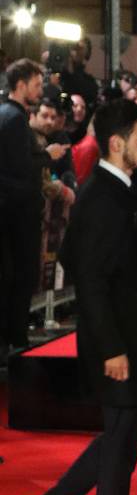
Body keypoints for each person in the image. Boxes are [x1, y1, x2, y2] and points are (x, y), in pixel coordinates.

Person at [22, 99, 137, 495]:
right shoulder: (103, 197)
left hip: (125, 333)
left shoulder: (115, 190)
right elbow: (88, 276)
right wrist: (111, 347)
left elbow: (77, 260)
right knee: (121, 434)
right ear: (117, 143)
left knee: (125, 435)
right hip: (117, 340)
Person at [0, 58, 45, 366]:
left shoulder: (7, 115)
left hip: (11, 212)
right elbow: (20, 169)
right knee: (19, 277)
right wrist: (48, 157)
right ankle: (15, 340)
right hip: (17, 215)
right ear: (21, 84)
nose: (41, 89)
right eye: (37, 84)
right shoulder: (14, 119)